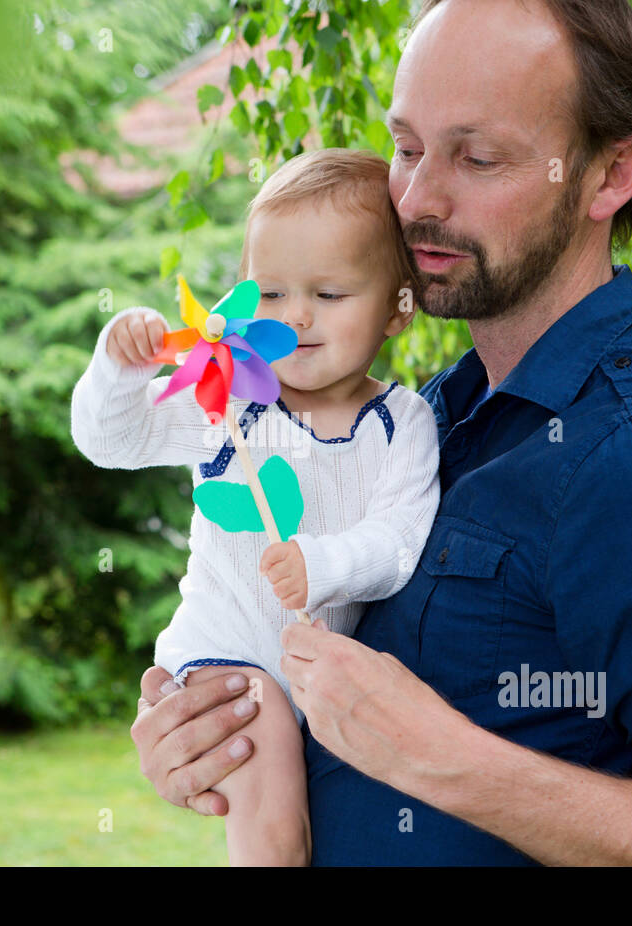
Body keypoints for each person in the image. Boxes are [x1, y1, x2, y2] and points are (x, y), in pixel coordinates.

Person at [131, 0, 632, 865]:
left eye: (478, 156)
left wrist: (441, 759)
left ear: (609, 175)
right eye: (407, 147)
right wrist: (220, 736)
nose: (416, 198)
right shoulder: (435, 410)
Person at [71, 149, 441, 864]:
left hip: (321, 665)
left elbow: (399, 541)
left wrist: (322, 563)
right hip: (226, 657)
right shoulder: (230, 402)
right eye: (270, 294)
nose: (296, 316)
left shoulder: (404, 421)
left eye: (330, 295)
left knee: (324, 824)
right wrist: (116, 369)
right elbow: (111, 440)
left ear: (399, 307)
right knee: (270, 805)